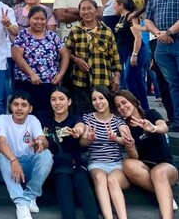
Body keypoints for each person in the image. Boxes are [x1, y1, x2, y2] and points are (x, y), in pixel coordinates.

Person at [114, 89, 178, 219]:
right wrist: (130, 145)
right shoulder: (124, 127)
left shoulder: (151, 114)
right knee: (127, 163)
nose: (122, 107)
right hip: (144, 168)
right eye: (118, 106)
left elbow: (163, 127)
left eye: (124, 102)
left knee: (157, 173)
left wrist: (153, 128)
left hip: (165, 166)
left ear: (134, 102)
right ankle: (165, 195)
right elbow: (135, 157)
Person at [0, 90, 53, 219]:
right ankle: (21, 204)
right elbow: (1, 142)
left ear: (30, 108)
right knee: (1, 156)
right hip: (8, 166)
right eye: (16, 104)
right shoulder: (2, 119)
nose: (19, 108)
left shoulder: (33, 120)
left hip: (27, 165)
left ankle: (30, 196)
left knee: (46, 154)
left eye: (24, 105)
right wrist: (13, 160)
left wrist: (40, 143)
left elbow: (43, 140)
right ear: (10, 106)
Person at [80, 86, 135, 219]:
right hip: (96, 163)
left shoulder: (117, 120)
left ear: (107, 99)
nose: (98, 102)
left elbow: (126, 137)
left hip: (116, 164)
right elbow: (82, 142)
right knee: (100, 178)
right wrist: (88, 139)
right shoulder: (88, 118)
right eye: (94, 99)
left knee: (111, 180)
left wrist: (118, 138)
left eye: (101, 98)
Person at [44, 86, 98, 219]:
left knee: (80, 179)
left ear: (69, 101)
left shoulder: (76, 119)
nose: (57, 103)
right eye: (53, 99)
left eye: (61, 99)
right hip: (55, 167)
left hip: (76, 164)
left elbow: (80, 127)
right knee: (62, 178)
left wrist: (77, 132)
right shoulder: (44, 119)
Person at [11, 6, 69, 122]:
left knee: (46, 114)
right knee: (25, 112)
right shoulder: (23, 36)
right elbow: (17, 56)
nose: (39, 22)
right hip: (26, 83)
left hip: (48, 83)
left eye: (42, 19)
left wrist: (61, 74)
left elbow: (65, 54)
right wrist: (31, 74)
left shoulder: (52, 36)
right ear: (29, 19)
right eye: (35, 18)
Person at [65, 0, 122, 114]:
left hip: (101, 80)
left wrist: (116, 76)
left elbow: (114, 56)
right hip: (80, 82)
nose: (87, 12)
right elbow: (67, 52)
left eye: (89, 8)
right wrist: (76, 60)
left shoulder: (107, 31)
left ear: (96, 11)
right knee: (82, 114)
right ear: (80, 13)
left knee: (102, 113)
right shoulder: (75, 31)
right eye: (83, 9)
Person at [144, 0, 179, 131]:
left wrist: (169, 32)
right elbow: (147, 19)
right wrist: (159, 33)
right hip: (162, 46)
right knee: (172, 83)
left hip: (176, 40)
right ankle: (177, 120)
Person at [112, 0, 150, 110]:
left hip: (136, 51)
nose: (113, 6)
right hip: (125, 52)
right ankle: (145, 109)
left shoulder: (131, 17)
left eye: (114, 4)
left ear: (121, 5)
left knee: (129, 78)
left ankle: (135, 106)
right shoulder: (121, 18)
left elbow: (138, 38)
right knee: (138, 80)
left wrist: (134, 55)